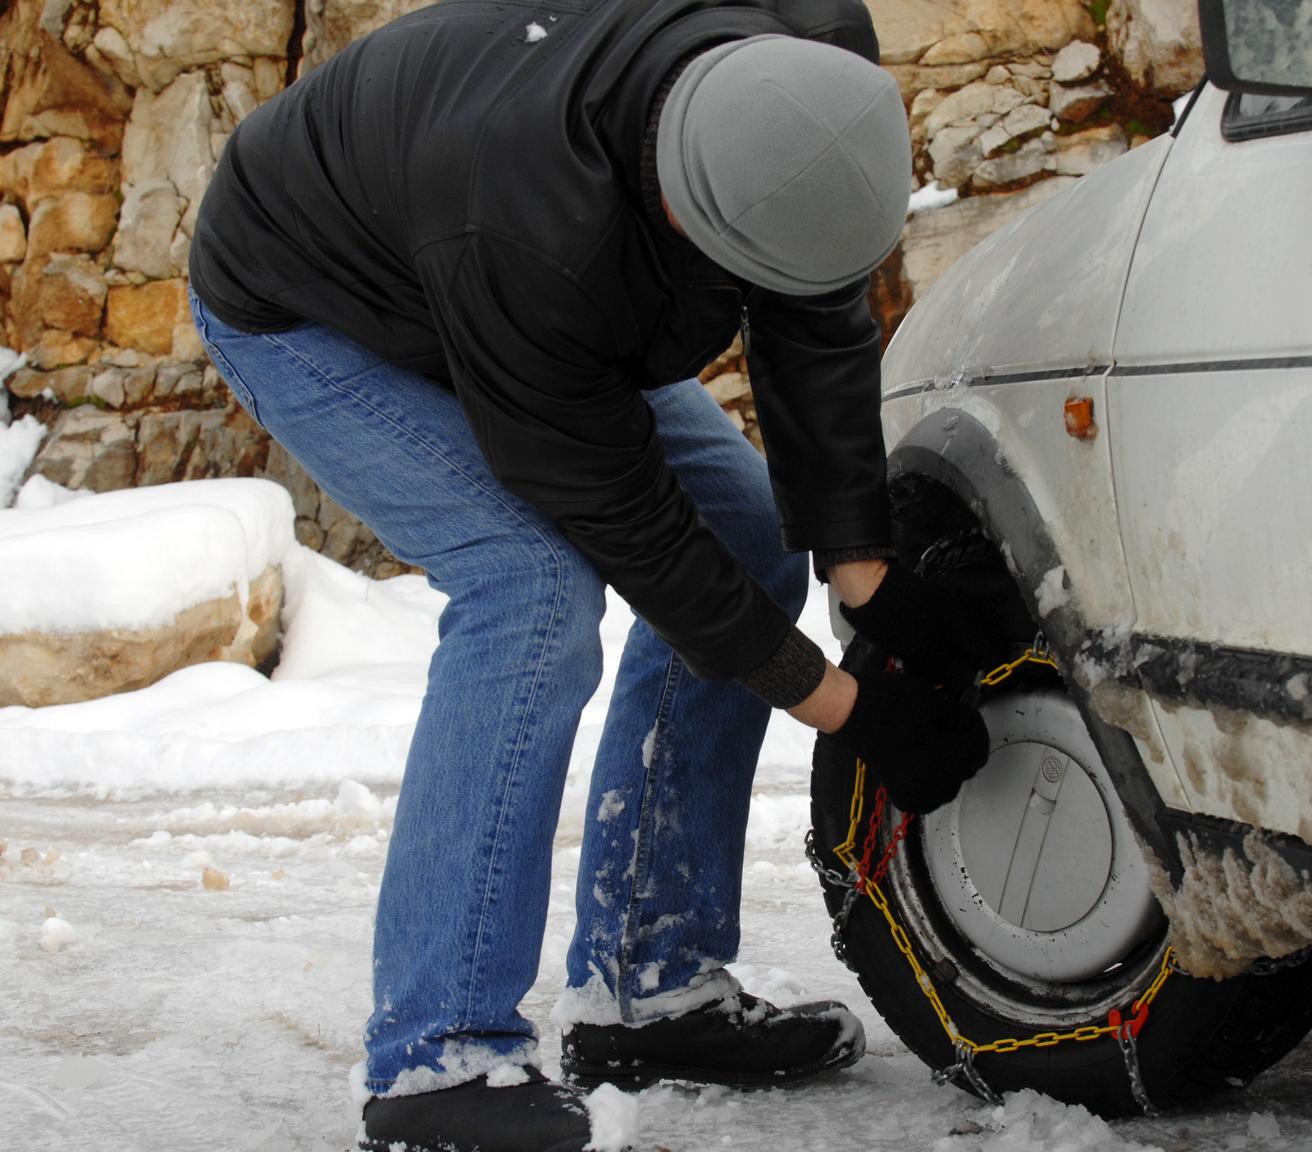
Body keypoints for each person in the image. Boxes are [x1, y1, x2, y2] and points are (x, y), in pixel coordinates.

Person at [189, 1, 1002, 1148]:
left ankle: (646, 989)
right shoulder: (533, 233)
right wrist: (851, 709)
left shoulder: (812, 78)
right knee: (529, 595)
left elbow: (815, 324)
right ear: (682, 211)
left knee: (750, 532)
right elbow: (638, 536)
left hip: (511, 276)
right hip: (312, 305)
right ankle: (439, 1056)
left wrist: (866, 575)